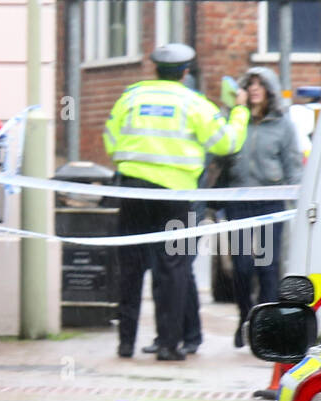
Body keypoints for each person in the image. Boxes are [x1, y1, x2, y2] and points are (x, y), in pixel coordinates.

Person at [104, 43, 248, 361]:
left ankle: (125, 343)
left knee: (130, 265)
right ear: (185, 72)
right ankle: (168, 345)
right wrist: (240, 112)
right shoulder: (194, 103)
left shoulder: (131, 97)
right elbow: (226, 144)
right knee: (173, 269)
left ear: (154, 69)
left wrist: (130, 163)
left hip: (134, 191)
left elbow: (110, 138)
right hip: (176, 197)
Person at [229, 68, 303, 347]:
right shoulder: (236, 119)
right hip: (238, 201)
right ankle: (243, 316)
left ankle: (265, 328)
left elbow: (293, 163)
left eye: (261, 84)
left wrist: (296, 199)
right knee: (241, 267)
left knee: (267, 266)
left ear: (270, 90)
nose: (255, 89)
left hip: (270, 201)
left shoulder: (283, 125)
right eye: (250, 84)